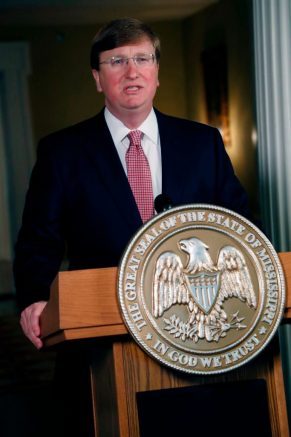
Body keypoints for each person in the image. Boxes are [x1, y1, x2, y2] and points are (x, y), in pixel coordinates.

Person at [14, 17, 252, 351]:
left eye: (142, 58)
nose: (132, 71)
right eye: (117, 61)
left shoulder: (204, 143)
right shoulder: (61, 152)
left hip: (197, 332)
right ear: (97, 78)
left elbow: (240, 225)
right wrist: (35, 299)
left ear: (156, 72)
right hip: (101, 335)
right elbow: (38, 242)